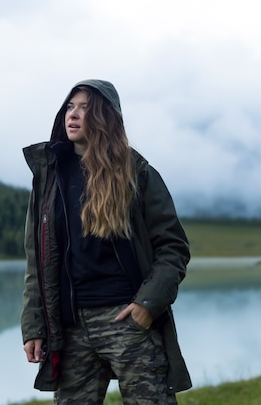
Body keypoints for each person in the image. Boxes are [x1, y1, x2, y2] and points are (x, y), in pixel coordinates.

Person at [21, 79, 191, 405]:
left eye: (85, 108)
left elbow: (173, 247)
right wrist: (34, 326)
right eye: (70, 107)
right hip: (70, 329)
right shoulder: (50, 176)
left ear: (104, 117)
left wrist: (146, 305)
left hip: (127, 320)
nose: (73, 115)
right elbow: (36, 259)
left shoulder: (136, 172)